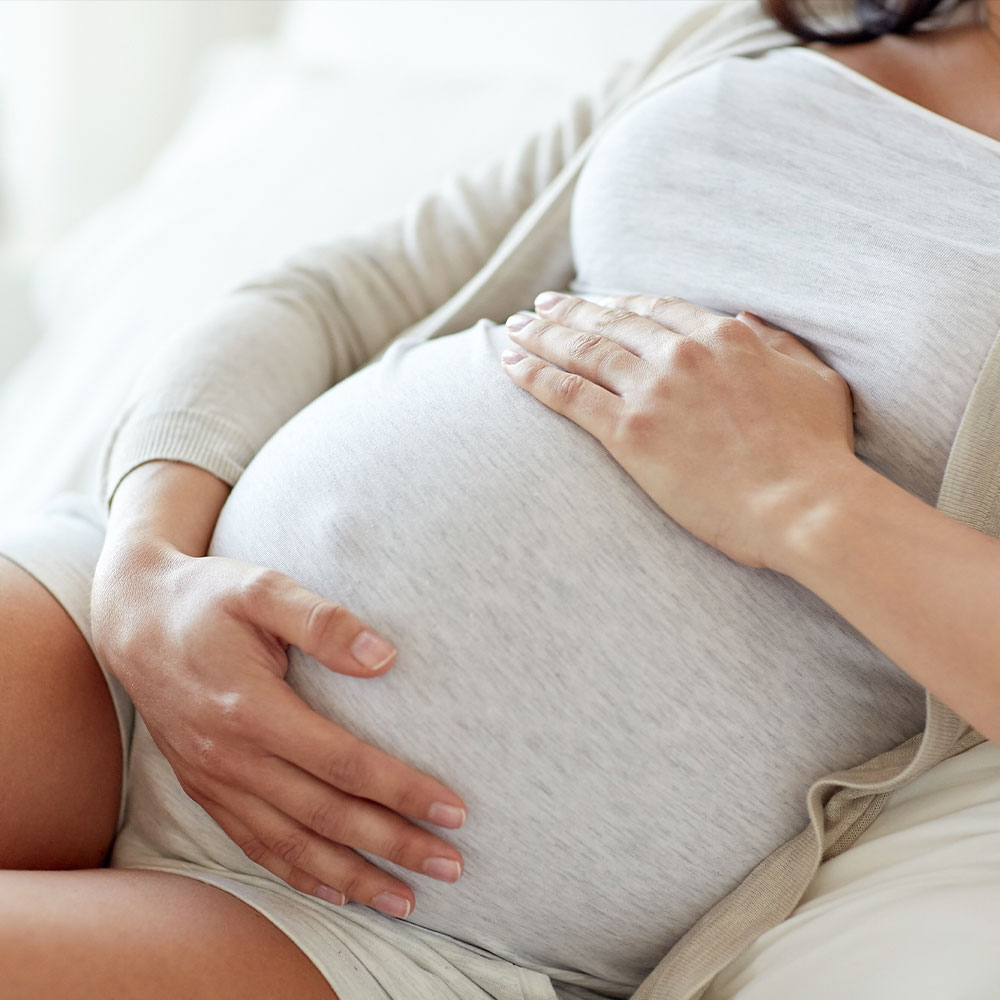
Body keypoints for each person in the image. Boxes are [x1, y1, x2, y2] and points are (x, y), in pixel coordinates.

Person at [1, 0, 998, 996]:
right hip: (132, 644)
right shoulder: (762, 36)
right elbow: (331, 296)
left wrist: (802, 498)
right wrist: (148, 564)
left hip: (401, 924)